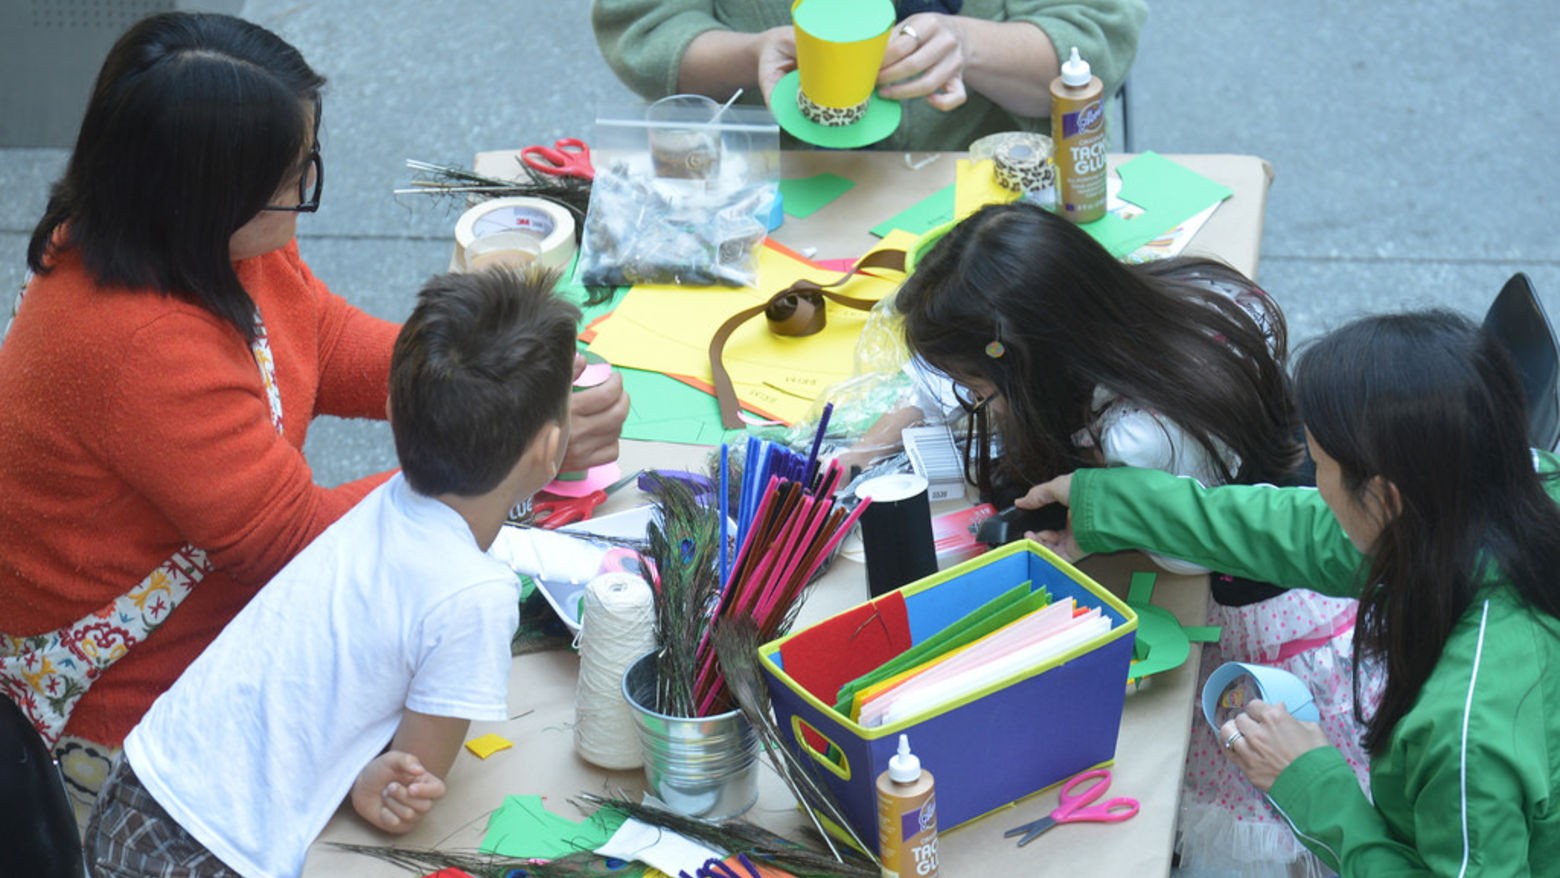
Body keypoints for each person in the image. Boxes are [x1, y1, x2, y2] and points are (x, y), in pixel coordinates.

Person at [0, 11, 627, 824]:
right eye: (290, 177)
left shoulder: (205, 234)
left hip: (227, 618)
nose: (303, 193)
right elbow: (297, 546)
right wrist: (506, 452)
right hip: (148, 717)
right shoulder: (137, 345)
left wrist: (488, 375)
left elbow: (319, 340)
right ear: (206, 194)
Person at [891, 201, 1381, 877]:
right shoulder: (1192, 294)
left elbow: (1184, 554)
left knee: (1159, 778)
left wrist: (1094, 532)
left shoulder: (1139, 436)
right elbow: (963, 374)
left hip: (1255, 618)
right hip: (1306, 553)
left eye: (982, 389)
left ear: (1027, 365)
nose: (984, 406)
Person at [84, 265, 579, 877]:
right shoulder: (474, 595)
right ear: (552, 448)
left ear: (393, 411)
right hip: (215, 854)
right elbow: (414, 785)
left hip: (137, 789)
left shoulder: (384, 505)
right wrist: (388, 784)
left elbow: (374, 754)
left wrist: (362, 775)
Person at [1025, 309, 1560, 873]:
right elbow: (1296, 529)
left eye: (1319, 462)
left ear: (1384, 498)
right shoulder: (1504, 489)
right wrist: (1105, 505)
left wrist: (1310, 782)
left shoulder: (1464, 731)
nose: (1311, 478)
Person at [590, 0, 1146, 152]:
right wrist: (754, 52)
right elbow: (644, 25)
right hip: (779, 196)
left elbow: (1095, 35)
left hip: (990, 198)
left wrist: (970, 44)